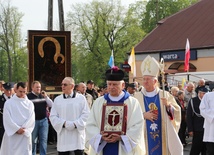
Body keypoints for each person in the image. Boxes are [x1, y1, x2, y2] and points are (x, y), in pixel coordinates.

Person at [86, 66, 145, 155]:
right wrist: (100, 136)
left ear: (123, 85)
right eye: (109, 84)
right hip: (104, 147)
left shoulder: (132, 102)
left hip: (123, 149)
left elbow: (138, 125)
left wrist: (122, 137)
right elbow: (90, 124)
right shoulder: (99, 102)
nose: (111, 87)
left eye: (115, 84)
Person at [134, 55, 182, 155]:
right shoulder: (136, 97)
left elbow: (177, 112)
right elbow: (130, 116)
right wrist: (143, 115)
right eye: (143, 79)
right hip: (143, 136)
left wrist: (169, 106)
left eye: (148, 79)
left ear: (155, 81)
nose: (145, 82)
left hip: (162, 134)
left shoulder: (165, 94)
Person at [50, 77, 90, 155]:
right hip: (64, 136)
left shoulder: (81, 98)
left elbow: (86, 114)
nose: (62, 86)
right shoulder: (57, 100)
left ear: (72, 86)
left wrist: (75, 124)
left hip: (77, 135)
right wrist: (64, 123)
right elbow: (53, 116)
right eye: (62, 84)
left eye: (65, 84)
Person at [0, 82, 35, 155]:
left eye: (24, 92)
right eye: (20, 91)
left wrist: (23, 129)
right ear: (16, 90)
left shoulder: (29, 104)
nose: (22, 94)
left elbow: (31, 119)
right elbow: (7, 118)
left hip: (24, 134)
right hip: (12, 135)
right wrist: (16, 129)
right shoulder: (9, 103)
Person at [27, 81, 53, 155]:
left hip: (43, 121)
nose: (39, 89)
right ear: (32, 87)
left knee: (43, 141)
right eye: (37, 87)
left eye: (39, 87)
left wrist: (46, 97)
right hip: (33, 122)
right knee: (33, 141)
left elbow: (51, 104)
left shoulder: (43, 96)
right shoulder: (28, 97)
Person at [187, 87, 208, 155]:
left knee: (206, 149)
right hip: (197, 129)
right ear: (199, 93)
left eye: (206, 94)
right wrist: (190, 129)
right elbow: (189, 116)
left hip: (207, 129)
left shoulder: (209, 101)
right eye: (203, 93)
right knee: (195, 149)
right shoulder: (193, 101)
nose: (205, 95)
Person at [199, 89, 214, 155]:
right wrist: (212, 116)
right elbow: (202, 109)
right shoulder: (208, 96)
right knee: (211, 151)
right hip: (211, 127)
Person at [0, 82, 14, 147]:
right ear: (4, 90)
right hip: (2, 125)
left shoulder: (15, 99)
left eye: (10, 90)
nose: (8, 92)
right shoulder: (0, 99)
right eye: (7, 90)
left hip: (13, 125)